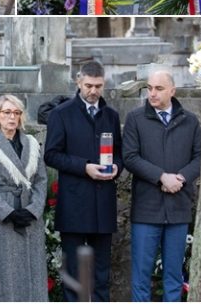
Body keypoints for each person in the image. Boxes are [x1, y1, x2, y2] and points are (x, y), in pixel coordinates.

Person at [44, 61, 123, 301]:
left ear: (104, 83)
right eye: (88, 85)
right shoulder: (61, 113)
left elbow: (119, 153)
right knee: (74, 275)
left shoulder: (111, 115)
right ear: (78, 82)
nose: (93, 91)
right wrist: (84, 167)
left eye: (98, 86)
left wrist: (117, 168)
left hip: (103, 205)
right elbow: (51, 154)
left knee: (102, 274)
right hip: (75, 205)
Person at [123, 69, 201, 302]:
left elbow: (199, 158)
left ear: (172, 91)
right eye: (149, 88)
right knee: (141, 276)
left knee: (174, 276)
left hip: (178, 208)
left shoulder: (190, 121)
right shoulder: (136, 119)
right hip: (147, 209)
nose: (152, 93)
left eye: (158, 89)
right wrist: (161, 177)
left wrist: (181, 178)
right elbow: (130, 157)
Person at [0, 94, 48, 302]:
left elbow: (41, 181)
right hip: (2, 219)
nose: (12, 117)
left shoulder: (32, 144)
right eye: (7, 112)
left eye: (16, 113)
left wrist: (33, 210)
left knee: (33, 271)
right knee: (4, 274)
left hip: (29, 214)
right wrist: (9, 213)